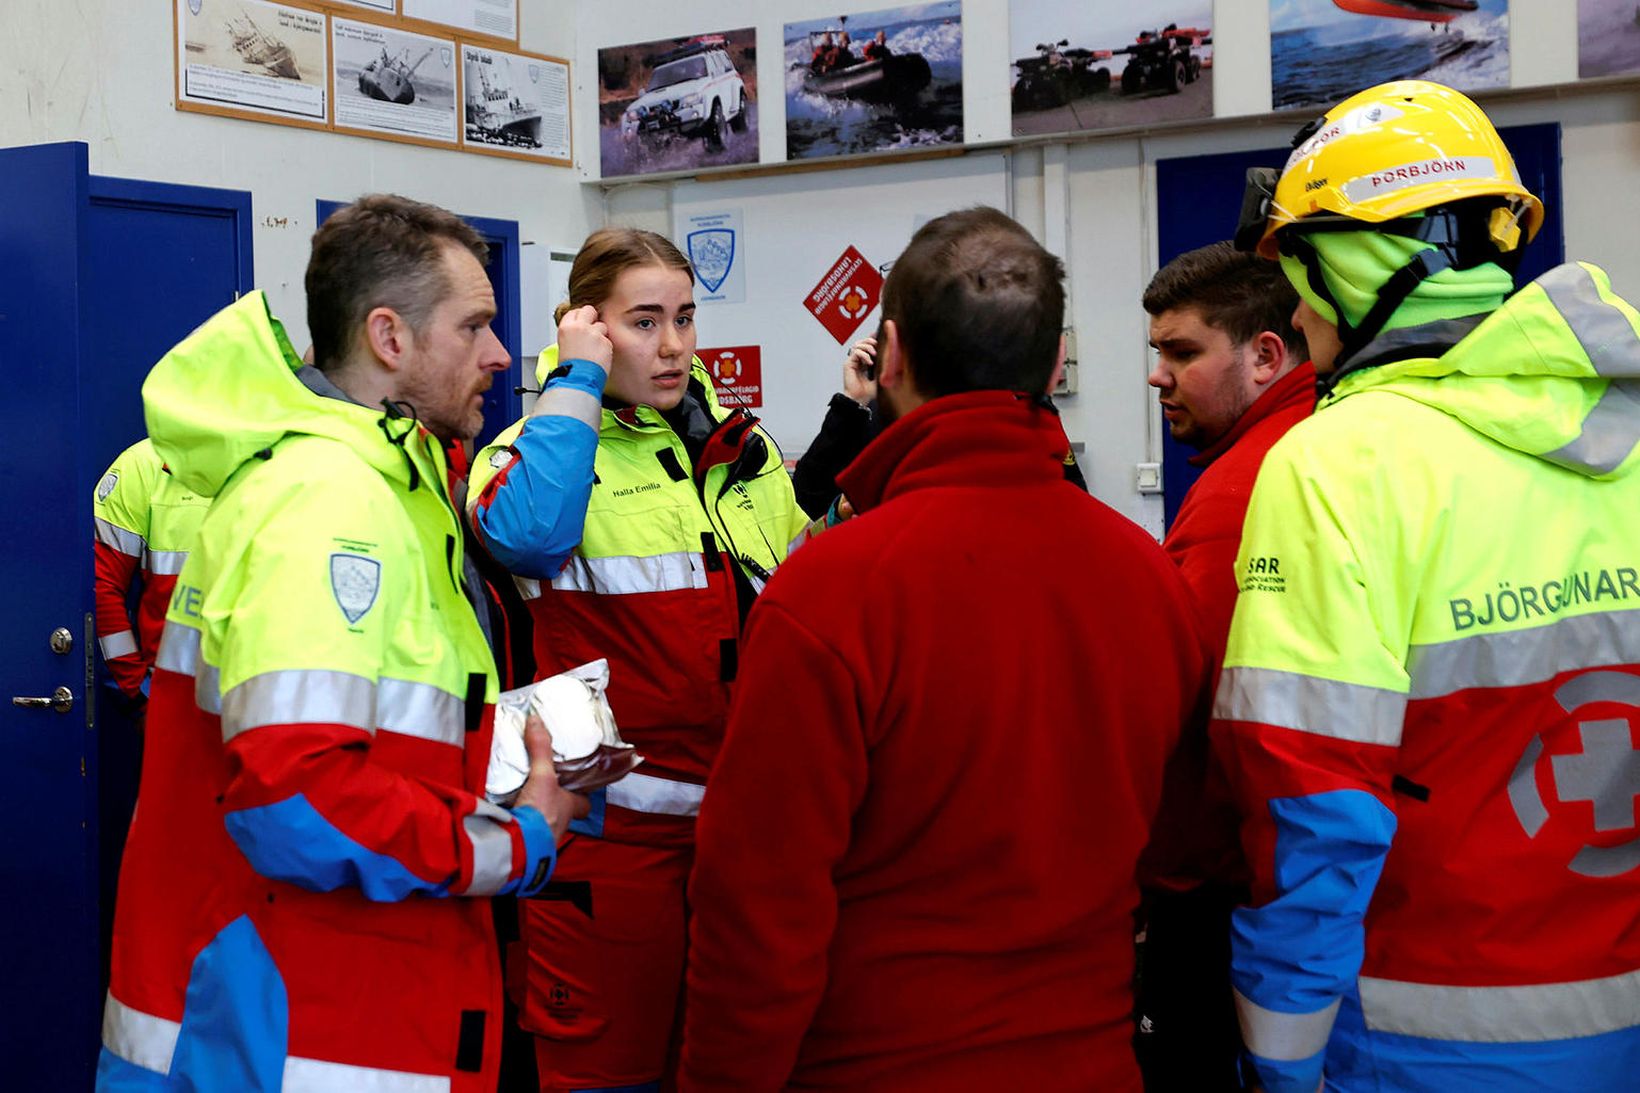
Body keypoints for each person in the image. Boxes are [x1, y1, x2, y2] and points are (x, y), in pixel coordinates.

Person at [679, 207, 1214, 1089]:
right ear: (1051, 366)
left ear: (889, 356)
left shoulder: (829, 594)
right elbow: (1177, 851)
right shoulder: (1150, 577)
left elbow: (756, 913)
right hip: (1092, 1059)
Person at [96, 194, 585, 1092]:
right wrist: (509, 844)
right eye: (474, 325)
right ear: (390, 338)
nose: (501, 354)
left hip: (331, 1015)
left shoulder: (383, 481)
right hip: (295, 1036)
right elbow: (293, 795)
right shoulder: (329, 500)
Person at [1218, 79, 1640, 1092]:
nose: (1299, 311)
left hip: (1420, 1042)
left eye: (1304, 273)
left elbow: (1306, 801)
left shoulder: (1334, 468)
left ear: (1352, 266)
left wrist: (1279, 1061)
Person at [466, 227, 813, 1092]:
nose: (672, 346)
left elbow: (801, 589)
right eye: (644, 321)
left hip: (741, 829)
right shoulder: (528, 450)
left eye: (686, 319)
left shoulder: (739, 447)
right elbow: (528, 536)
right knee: (606, 1073)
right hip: (608, 839)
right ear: (588, 325)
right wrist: (575, 382)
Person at [792, 330, 1087, 521]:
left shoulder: (1015, 408)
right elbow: (805, 501)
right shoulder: (876, 411)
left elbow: (1074, 507)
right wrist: (852, 403)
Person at [91, 438, 210, 706]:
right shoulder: (144, 465)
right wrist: (139, 695)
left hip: (265, 697)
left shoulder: (287, 464)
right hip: (175, 698)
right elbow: (101, 587)